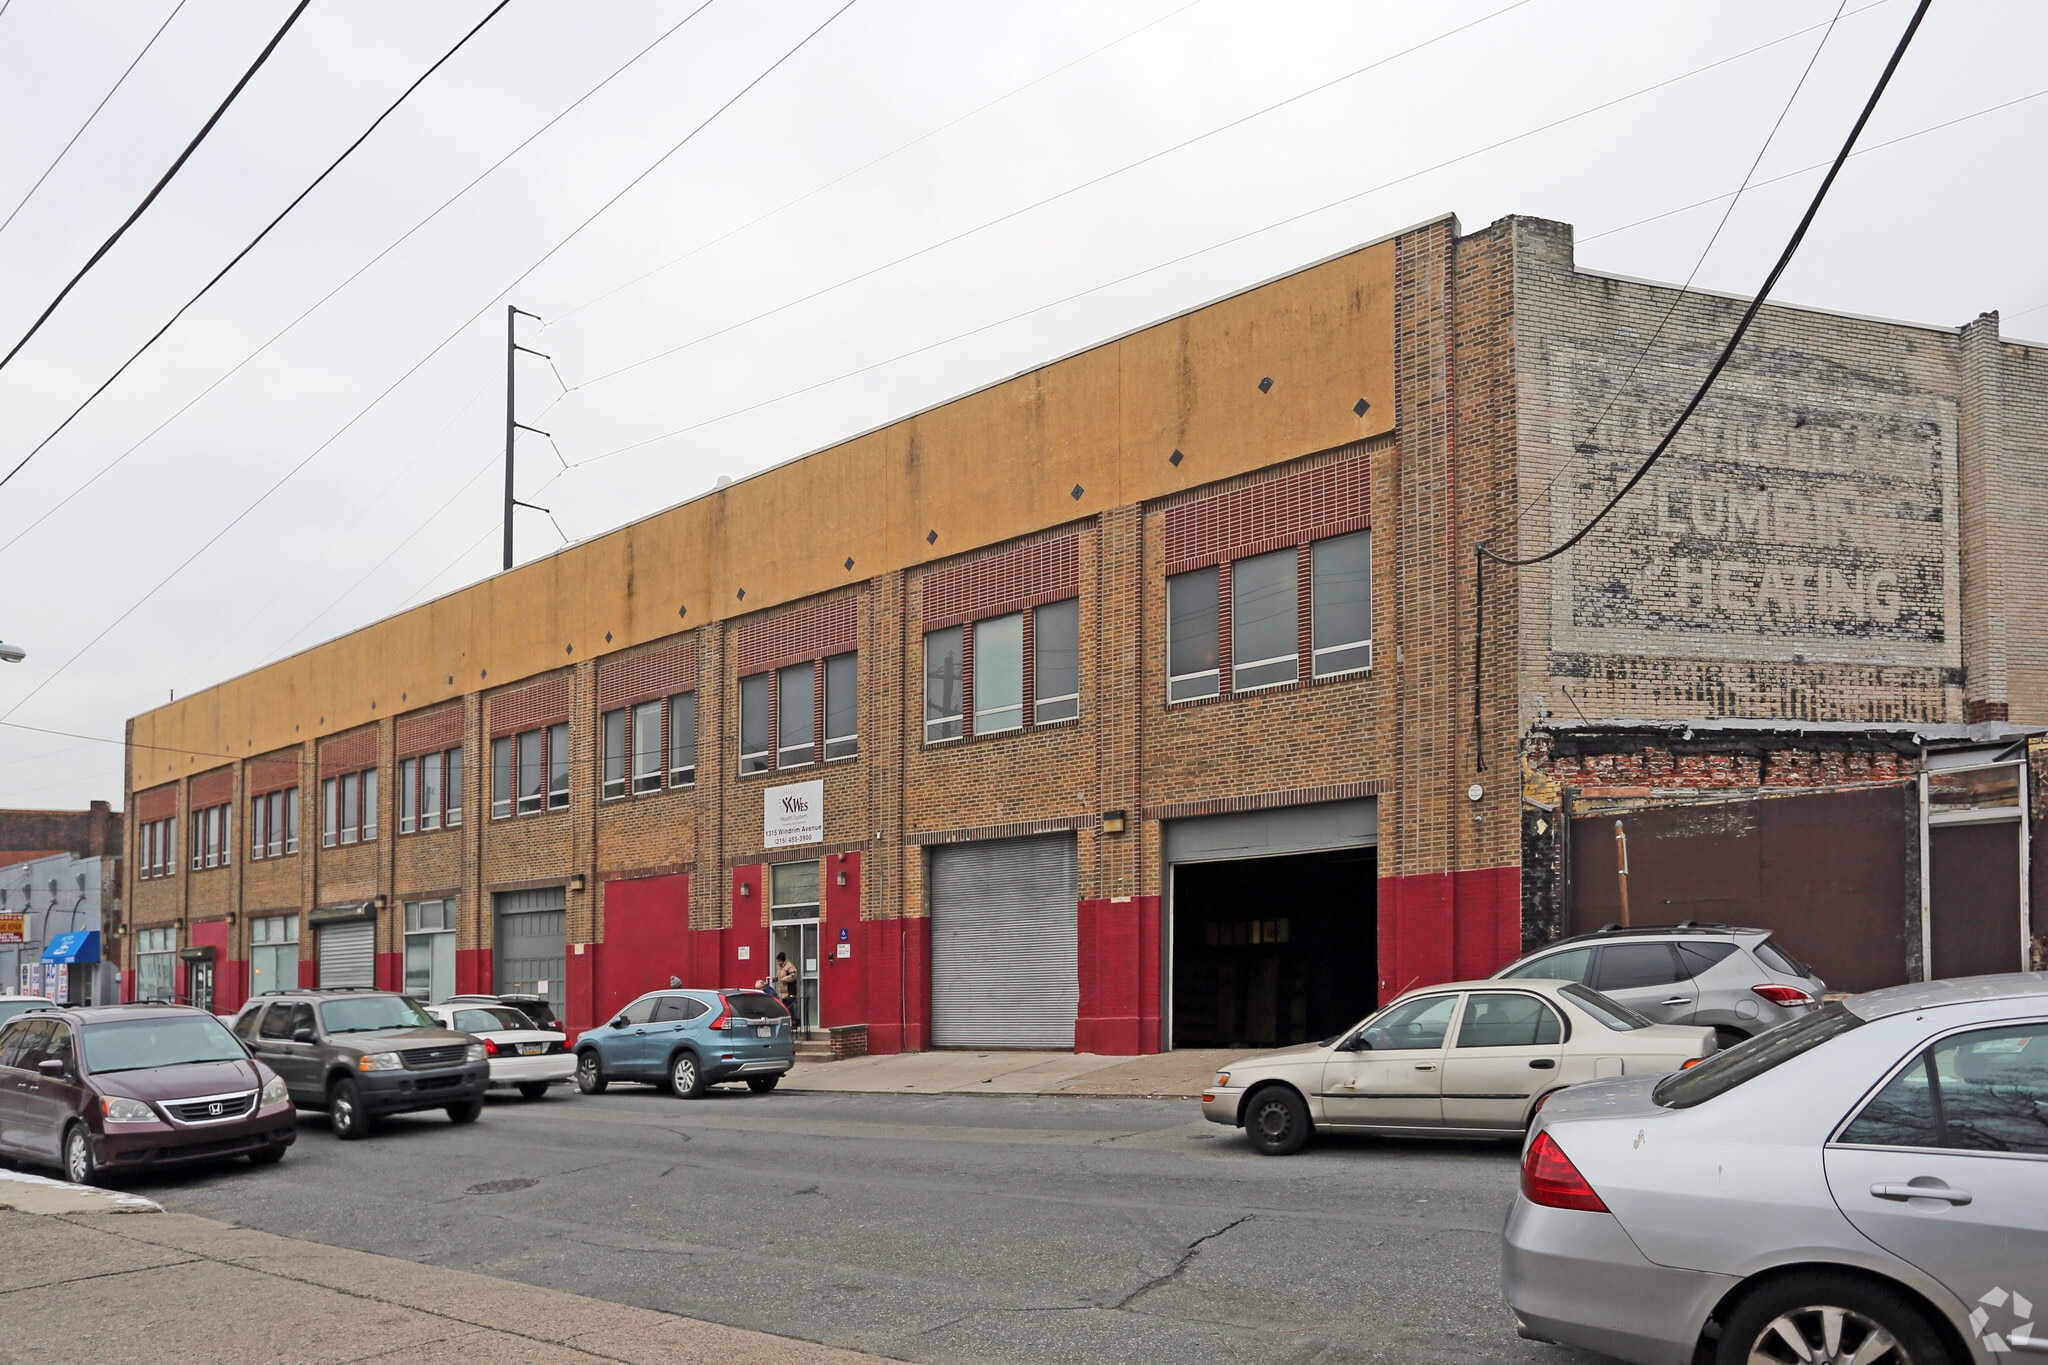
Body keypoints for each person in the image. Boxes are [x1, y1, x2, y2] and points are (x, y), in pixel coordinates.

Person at [775, 951, 799, 1027]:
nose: (778, 963)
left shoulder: (789, 966)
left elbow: (794, 975)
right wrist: (776, 979)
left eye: (779, 961)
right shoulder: (780, 967)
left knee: (790, 1007)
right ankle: (786, 1024)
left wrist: (785, 979)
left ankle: (793, 1023)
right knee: (784, 1008)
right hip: (782, 992)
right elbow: (780, 977)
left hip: (789, 991)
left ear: (783, 960)